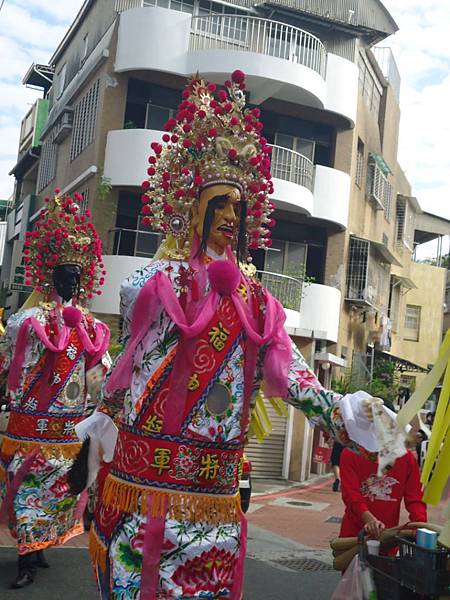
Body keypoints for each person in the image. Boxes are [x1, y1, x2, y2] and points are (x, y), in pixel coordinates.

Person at [77, 71, 395, 600]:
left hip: (215, 503)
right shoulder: (155, 287)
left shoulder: (257, 304)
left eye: (238, 208)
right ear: (191, 207)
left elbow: (295, 376)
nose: (229, 216)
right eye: (219, 203)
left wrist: (354, 413)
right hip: (146, 493)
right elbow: (129, 366)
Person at [0, 194, 110, 589]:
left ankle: (39, 547)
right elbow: (11, 360)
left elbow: (99, 375)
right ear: (51, 278)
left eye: (76, 277)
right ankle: (27, 559)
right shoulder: (27, 320)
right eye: (64, 276)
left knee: (59, 495)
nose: (70, 283)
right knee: (27, 494)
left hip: (68, 431)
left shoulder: (93, 328)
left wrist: (102, 415)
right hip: (29, 428)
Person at [339, 447, 427, 542]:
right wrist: (369, 519)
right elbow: (351, 494)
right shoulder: (351, 452)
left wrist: (420, 524)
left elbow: (415, 498)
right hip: (353, 537)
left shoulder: (406, 457)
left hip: (387, 537)